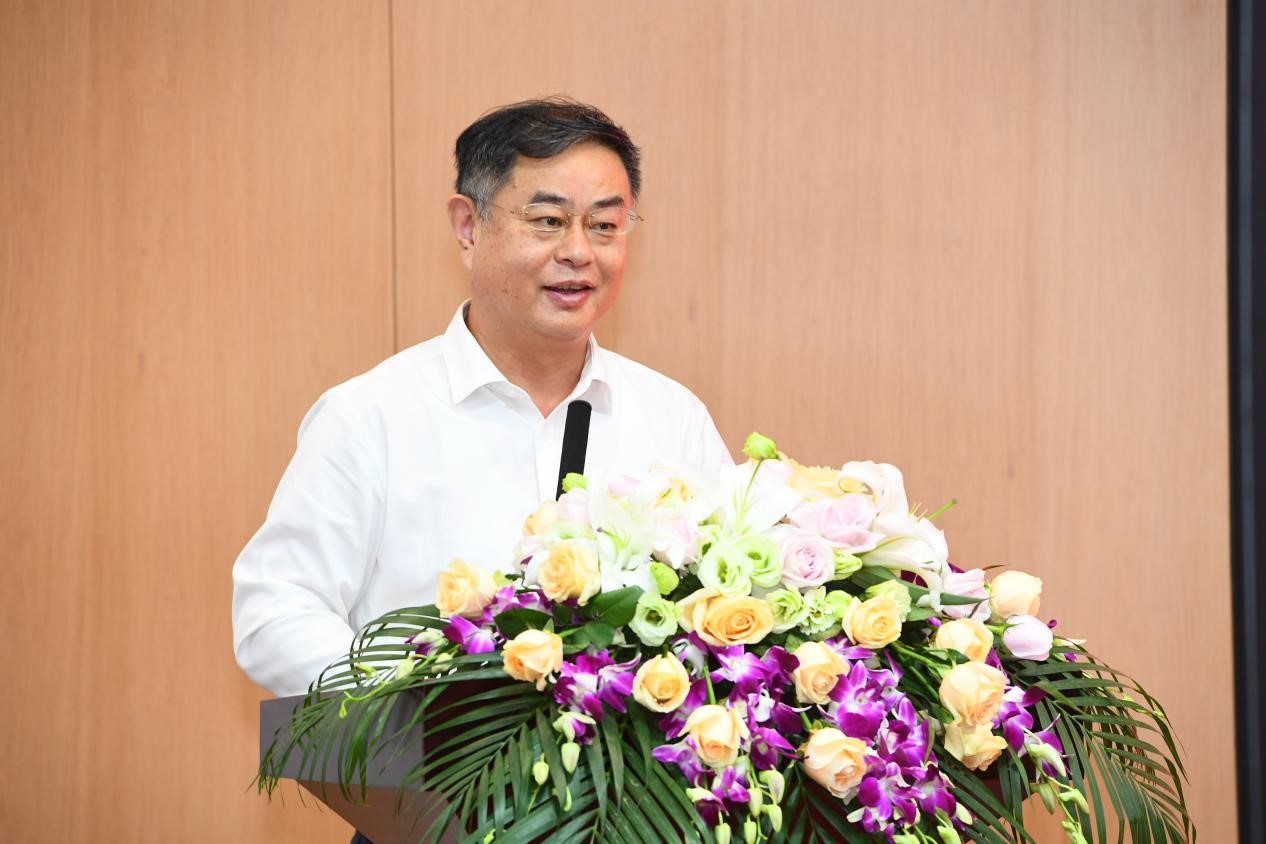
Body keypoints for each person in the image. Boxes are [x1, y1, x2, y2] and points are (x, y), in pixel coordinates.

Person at [232, 98, 732, 702]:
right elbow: (275, 612)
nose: (578, 251)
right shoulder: (370, 418)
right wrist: (425, 714)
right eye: (548, 220)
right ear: (469, 228)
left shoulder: (672, 418)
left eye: (604, 225)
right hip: (426, 756)